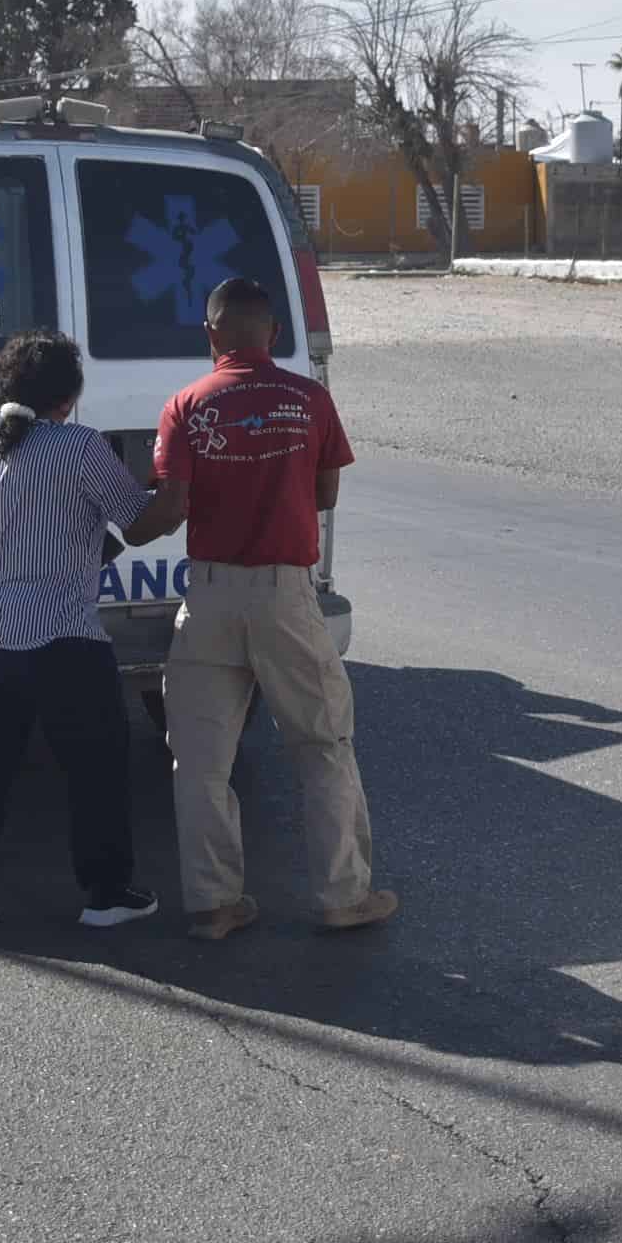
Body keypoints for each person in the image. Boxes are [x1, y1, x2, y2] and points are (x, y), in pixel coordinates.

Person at [0, 331, 181, 939]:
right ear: (70, 395)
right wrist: (180, 489)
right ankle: (106, 893)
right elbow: (137, 527)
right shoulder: (81, 450)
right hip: (64, 638)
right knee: (95, 766)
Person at [153, 278, 395, 941]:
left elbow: (171, 507)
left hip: (207, 595)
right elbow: (326, 494)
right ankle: (342, 894)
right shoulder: (309, 399)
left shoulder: (186, 404)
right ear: (275, 335)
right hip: (285, 595)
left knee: (201, 759)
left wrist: (117, 528)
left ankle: (212, 903)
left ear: (211, 335)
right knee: (322, 743)